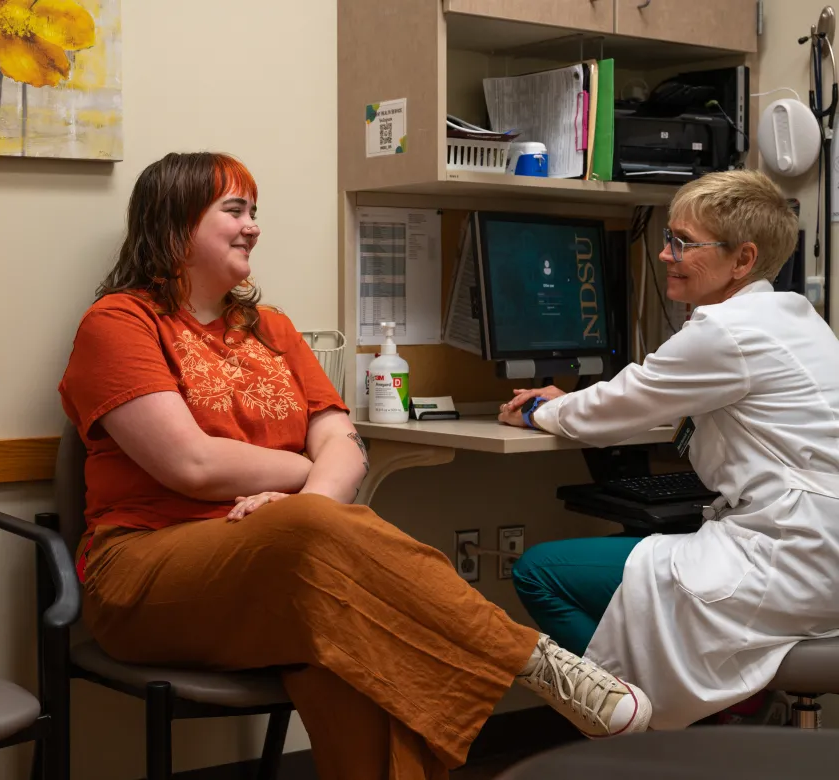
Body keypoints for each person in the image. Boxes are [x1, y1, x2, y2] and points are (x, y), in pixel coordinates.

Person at [58, 152, 651, 780]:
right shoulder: (121, 322)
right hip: (146, 567)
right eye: (234, 211)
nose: (253, 226)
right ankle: (532, 661)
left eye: (254, 212)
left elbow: (345, 445)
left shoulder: (271, 328)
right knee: (321, 540)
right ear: (173, 226)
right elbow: (192, 464)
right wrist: (302, 489)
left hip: (289, 572)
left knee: (355, 652)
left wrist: (301, 511)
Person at [500, 168, 839, 730]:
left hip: (790, 559)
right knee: (640, 545)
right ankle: (711, 717)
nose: (664, 255)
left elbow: (607, 411)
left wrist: (540, 410)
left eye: (683, 242)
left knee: (541, 571)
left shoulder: (727, 332)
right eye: (668, 238)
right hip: (816, 550)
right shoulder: (795, 318)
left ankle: (626, 719)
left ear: (743, 259)